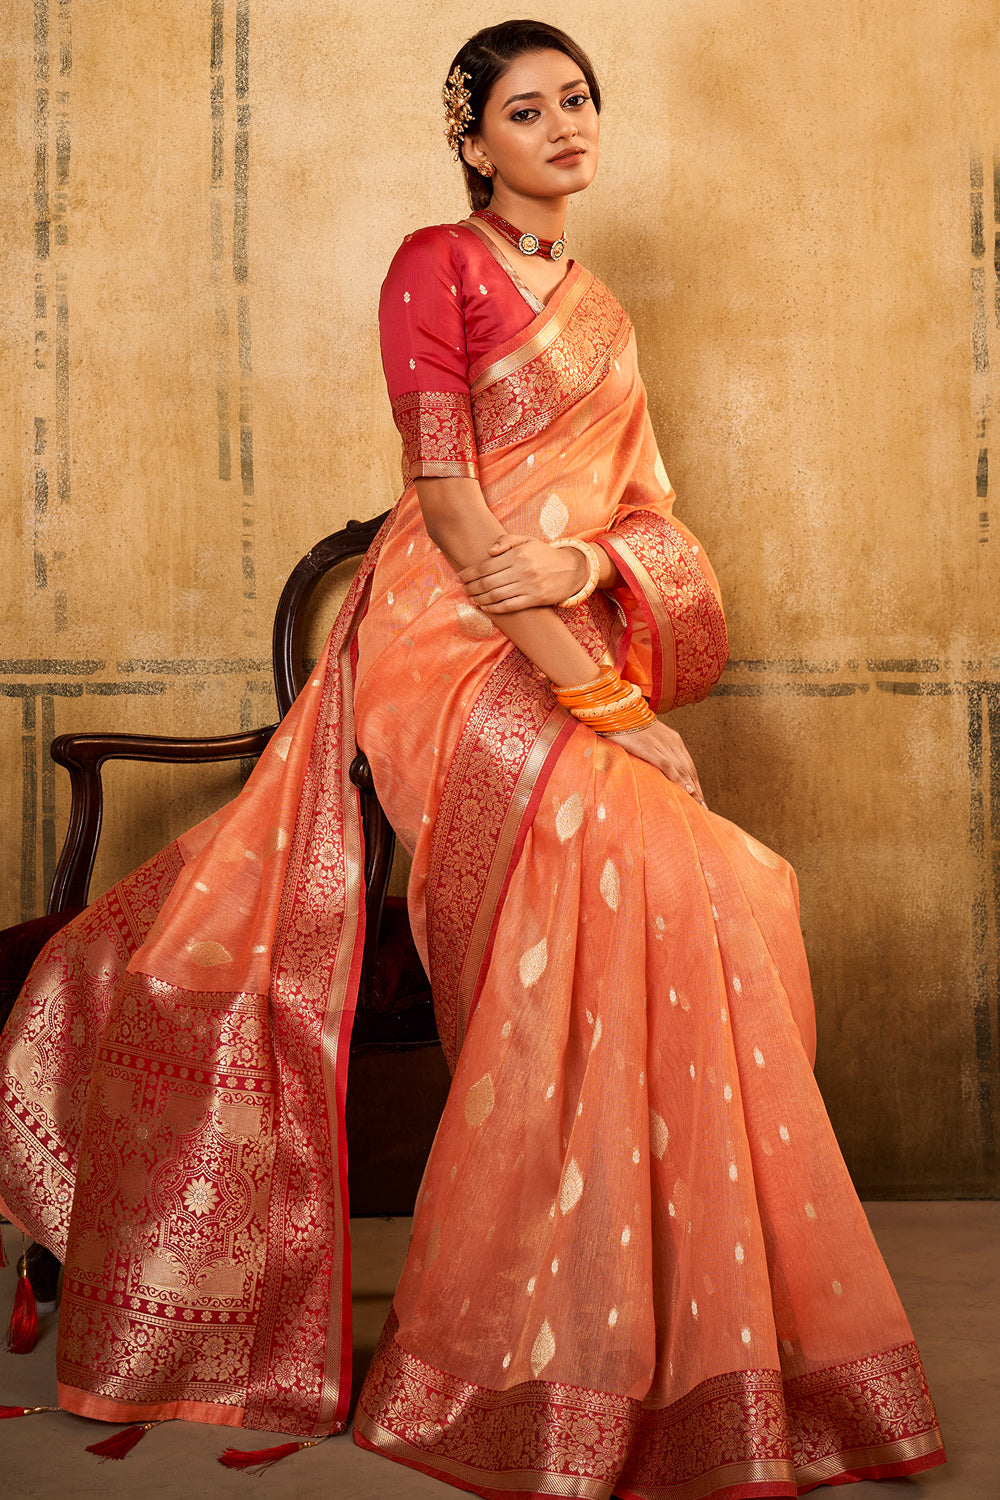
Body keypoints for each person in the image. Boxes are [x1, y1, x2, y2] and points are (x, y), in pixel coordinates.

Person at [0, 19, 944, 1499]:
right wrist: (610, 705)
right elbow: (449, 509)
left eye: (579, 100)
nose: (565, 126)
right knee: (630, 849)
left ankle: (661, 1311)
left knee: (718, 880)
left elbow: (643, 517)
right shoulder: (431, 266)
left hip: (554, 624)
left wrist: (588, 568)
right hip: (442, 648)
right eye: (527, 109)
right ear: (472, 139)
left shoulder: (604, 314)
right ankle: (522, 1332)